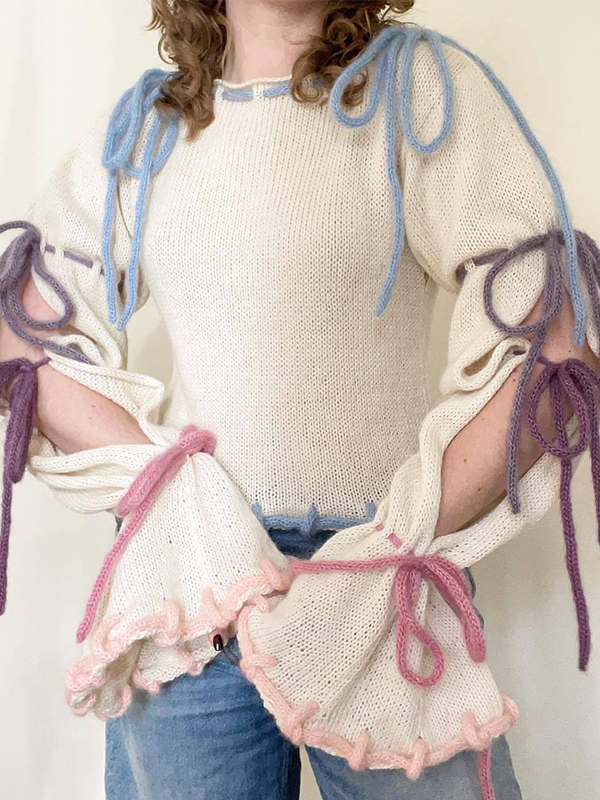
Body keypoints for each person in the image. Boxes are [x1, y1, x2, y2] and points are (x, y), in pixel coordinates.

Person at [1, 2, 599, 798]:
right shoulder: (146, 129)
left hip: (382, 585)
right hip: (193, 591)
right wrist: (179, 496)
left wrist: (398, 539)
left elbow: (559, 349)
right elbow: (21, 341)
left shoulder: (416, 88)